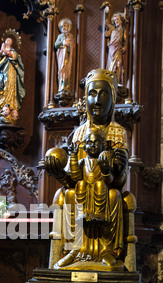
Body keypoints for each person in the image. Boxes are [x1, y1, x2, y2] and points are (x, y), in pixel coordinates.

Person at [42, 68, 129, 270]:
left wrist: (116, 168)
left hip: (105, 189)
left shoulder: (118, 132)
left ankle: (107, 249)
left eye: (102, 93)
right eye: (91, 93)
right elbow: (73, 177)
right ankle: (75, 249)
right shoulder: (78, 133)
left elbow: (119, 181)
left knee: (114, 195)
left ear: (112, 98)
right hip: (83, 188)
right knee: (70, 194)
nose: (96, 100)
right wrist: (58, 171)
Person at [0, 33, 25, 117]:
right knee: (0, 86)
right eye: (7, 40)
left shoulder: (13, 52)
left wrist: (4, 50)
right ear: (5, 41)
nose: (8, 41)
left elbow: (13, 56)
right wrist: (1, 50)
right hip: (2, 72)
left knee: (10, 87)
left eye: (10, 40)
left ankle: (11, 106)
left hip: (11, 72)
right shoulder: (1, 51)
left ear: (12, 43)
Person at [105, 12, 127, 84]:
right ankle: (111, 81)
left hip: (118, 50)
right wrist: (106, 12)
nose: (116, 21)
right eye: (115, 20)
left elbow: (125, 40)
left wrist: (125, 46)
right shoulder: (113, 30)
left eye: (117, 19)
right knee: (112, 64)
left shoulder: (123, 31)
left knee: (119, 64)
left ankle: (117, 81)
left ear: (121, 20)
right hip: (112, 50)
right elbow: (107, 29)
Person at [54, 18, 74, 93]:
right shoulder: (60, 36)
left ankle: (66, 85)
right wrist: (63, 43)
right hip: (61, 56)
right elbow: (56, 45)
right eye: (63, 26)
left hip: (68, 56)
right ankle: (61, 86)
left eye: (66, 26)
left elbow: (73, 45)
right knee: (61, 70)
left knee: (67, 70)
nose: (64, 28)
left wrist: (69, 45)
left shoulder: (71, 36)